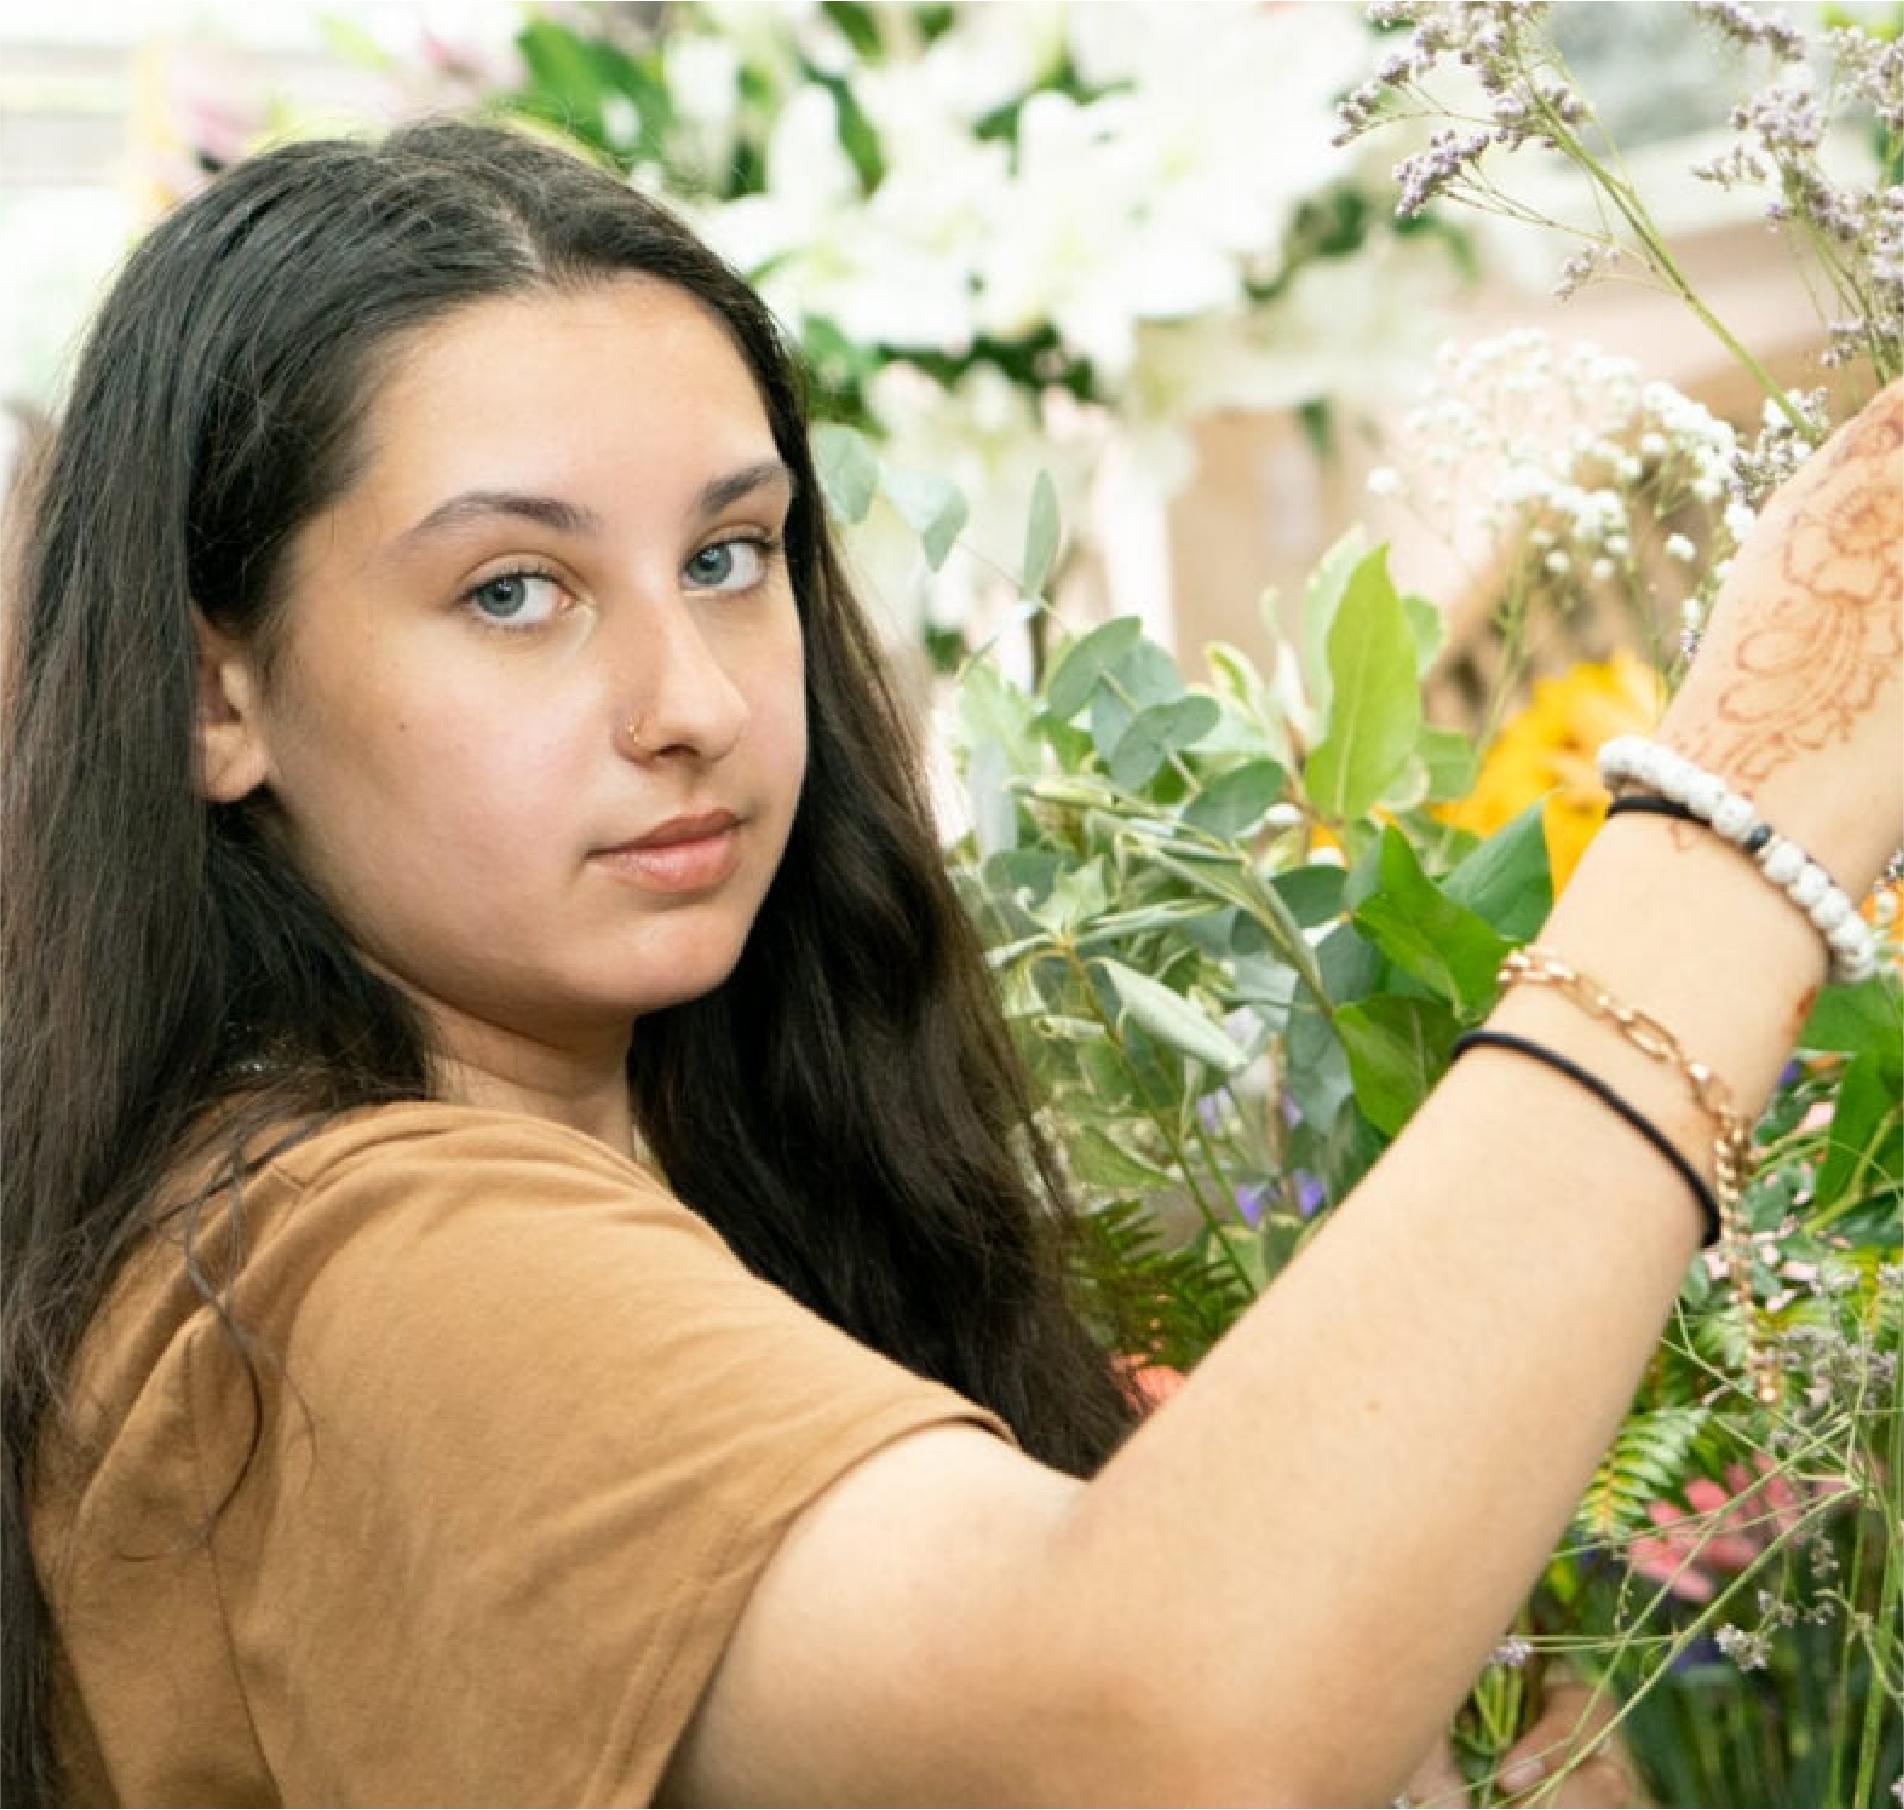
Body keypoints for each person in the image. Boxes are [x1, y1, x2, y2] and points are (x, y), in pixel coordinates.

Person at [1, 112, 1892, 1810]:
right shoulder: (351, 1264)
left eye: (733, 556)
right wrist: (1727, 829)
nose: (692, 703)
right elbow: (1165, 1731)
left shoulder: (728, 1178)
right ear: (212, 689)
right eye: (516, 591)